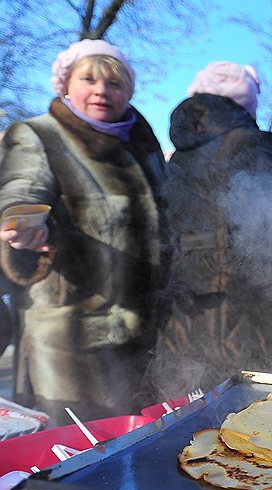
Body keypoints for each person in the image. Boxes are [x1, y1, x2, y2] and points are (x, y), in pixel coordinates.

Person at [0, 40, 168, 425]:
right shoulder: (38, 135)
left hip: (140, 337)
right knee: (66, 462)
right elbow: (22, 188)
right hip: (68, 341)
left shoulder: (144, 150)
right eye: (88, 79)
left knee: (131, 455)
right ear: (64, 85)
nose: (102, 91)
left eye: (115, 83)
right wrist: (23, 220)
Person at [148, 61, 272, 401]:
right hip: (250, 307)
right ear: (246, 103)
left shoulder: (177, 155)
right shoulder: (255, 142)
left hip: (187, 307)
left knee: (191, 420)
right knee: (256, 420)